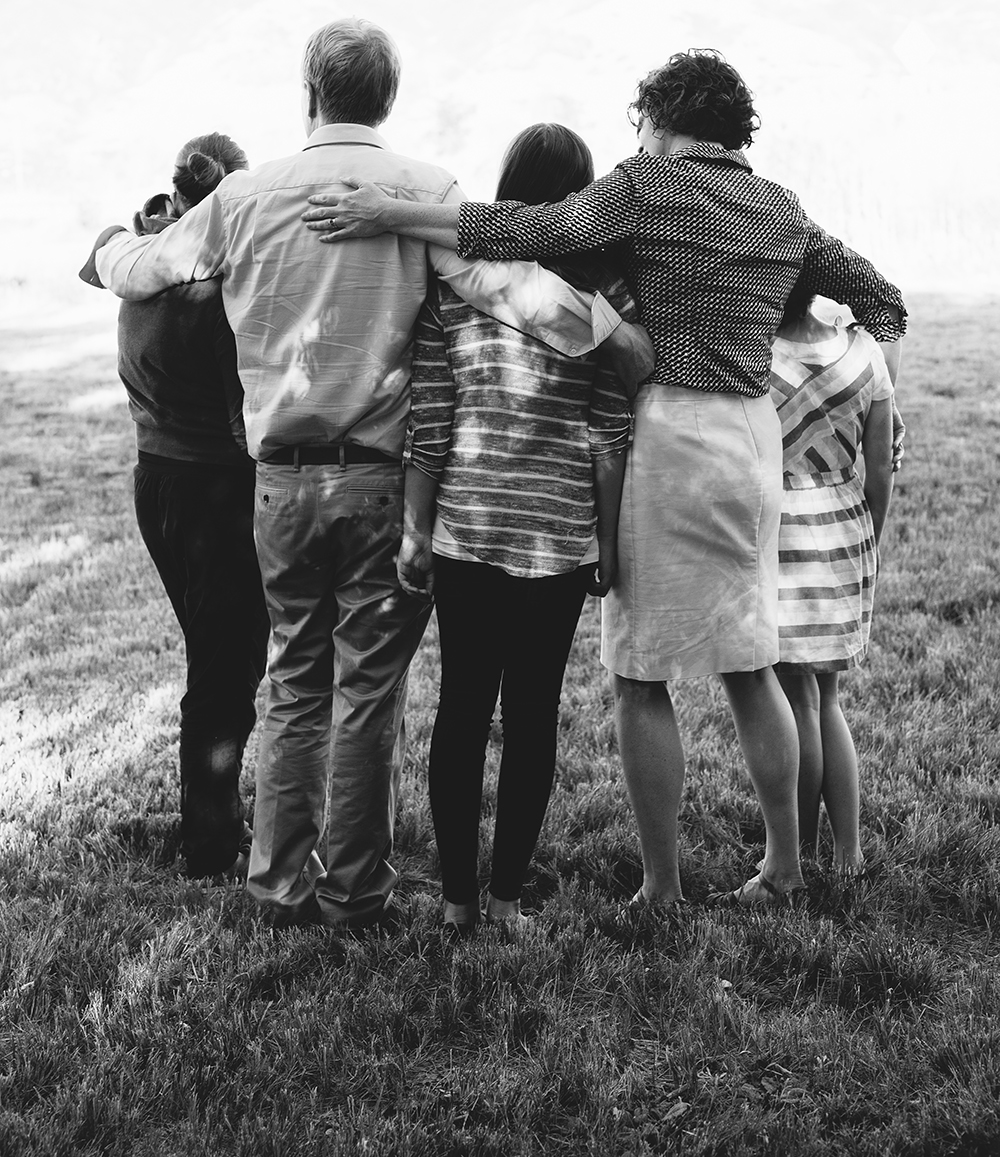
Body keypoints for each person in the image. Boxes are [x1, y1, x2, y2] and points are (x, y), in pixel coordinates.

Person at [300, 48, 907, 908]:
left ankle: (661, 885)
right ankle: (784, 864)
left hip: (671, 435)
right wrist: (863, 395)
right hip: (751, 441)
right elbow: (883, 302)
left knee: (641, 675)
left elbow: (522, 231)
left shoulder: (646, 185)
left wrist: (385, 210)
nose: (641, 137)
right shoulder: (781, 207)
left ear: (663, 119)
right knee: (752, 663)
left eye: (645, 124)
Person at [91, 18, 653, 931]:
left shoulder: (243, 198)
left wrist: (108, 245)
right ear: (387, 98)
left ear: (310, 90)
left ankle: (279, 885)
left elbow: (144, 268)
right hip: (381, 483)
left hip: (279, 483)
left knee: (295, 681)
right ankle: (354, 890)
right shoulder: (425, 193)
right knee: (367, 694)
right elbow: (506, 288)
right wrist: (615, 337)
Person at [399, 123, 633, 934]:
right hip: (559, 537)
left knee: (462, 709)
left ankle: (456, 902)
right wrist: (607, 543)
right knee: (533, 715)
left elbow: (431, 422)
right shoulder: (601, 301)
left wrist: (414, 531)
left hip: (466, 530)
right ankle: (505, 900)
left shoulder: (456, 290)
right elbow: (608, 436)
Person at [80, 133, 269, 878]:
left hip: (153, 482)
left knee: (212, 658)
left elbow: (98, 254)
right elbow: (242, 424)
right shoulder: (212, 295)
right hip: (215, 493)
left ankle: (214, 816)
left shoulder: (136, 267)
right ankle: (211, 840)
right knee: (228, 671)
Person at [769, 277, 895, 871]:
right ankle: (849, 853)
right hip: (847, 525)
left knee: (799, 700)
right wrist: (871, 535)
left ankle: (797, 853)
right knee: (827, 700)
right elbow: (881, 468)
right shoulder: (864, 351)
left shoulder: (758, 355)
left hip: (783, 532)